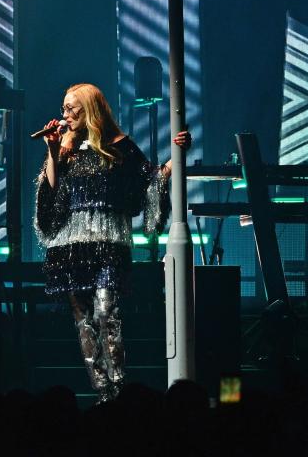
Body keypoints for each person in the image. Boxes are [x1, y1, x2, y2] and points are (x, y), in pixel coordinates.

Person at [35, 83, 190, 403]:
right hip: (71, 245)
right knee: (84, 322)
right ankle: (103, 391)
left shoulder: (120, 145)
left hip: (109, 243)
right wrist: (52, 150)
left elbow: (151, 179)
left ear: (90, 109)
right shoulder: (67, 145)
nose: (65, 114)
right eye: (63, 108)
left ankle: (119, 388)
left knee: (108, 312)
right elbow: (52, 193)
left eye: (71, 108)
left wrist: (178, 155)